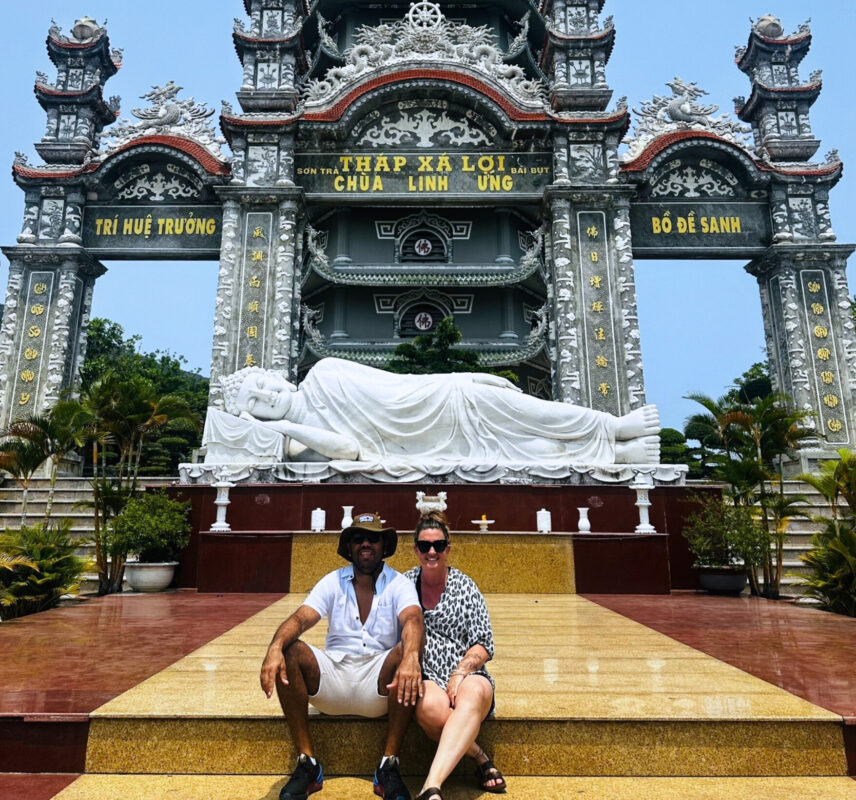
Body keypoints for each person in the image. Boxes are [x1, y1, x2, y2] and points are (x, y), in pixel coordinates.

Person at [213, 357, 660, 466]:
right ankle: (616, 456)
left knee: (528, 411)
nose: (267, 396)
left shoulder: (325, 370)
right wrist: (288, 426)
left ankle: (613, 427)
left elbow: (396, 386)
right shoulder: (298, 442)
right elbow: (348, 450)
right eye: (255, 403)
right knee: (517, 452)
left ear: (275, 374)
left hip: (437, 399)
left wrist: (460, 380)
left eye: (262, 384)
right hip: (419, 446)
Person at [259, 511, 424, 800]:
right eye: (358, 538)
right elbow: (300, 619)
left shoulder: (399, 583)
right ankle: (308, 763)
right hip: (331, 680)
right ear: (348, 547)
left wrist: (411, 656)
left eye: (373, 539)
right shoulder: (332, 581)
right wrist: (274, 648)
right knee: (291, 649)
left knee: (406, 651)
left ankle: (388, 765)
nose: (365, 544)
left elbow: (412, 619)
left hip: (379, 686)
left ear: (384, 547)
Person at [404, 512, 506, 800]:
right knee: (428, 706)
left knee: (473, 692)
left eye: (438, 545)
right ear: (416, 550)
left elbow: (484, 643)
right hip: (427, 677)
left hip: (467, 674)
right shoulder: (404, 584)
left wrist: (460, 673)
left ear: (448, 548)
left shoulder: (465, 586)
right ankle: (480, 757)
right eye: (425, 546)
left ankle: (430, 786)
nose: (432, 552)